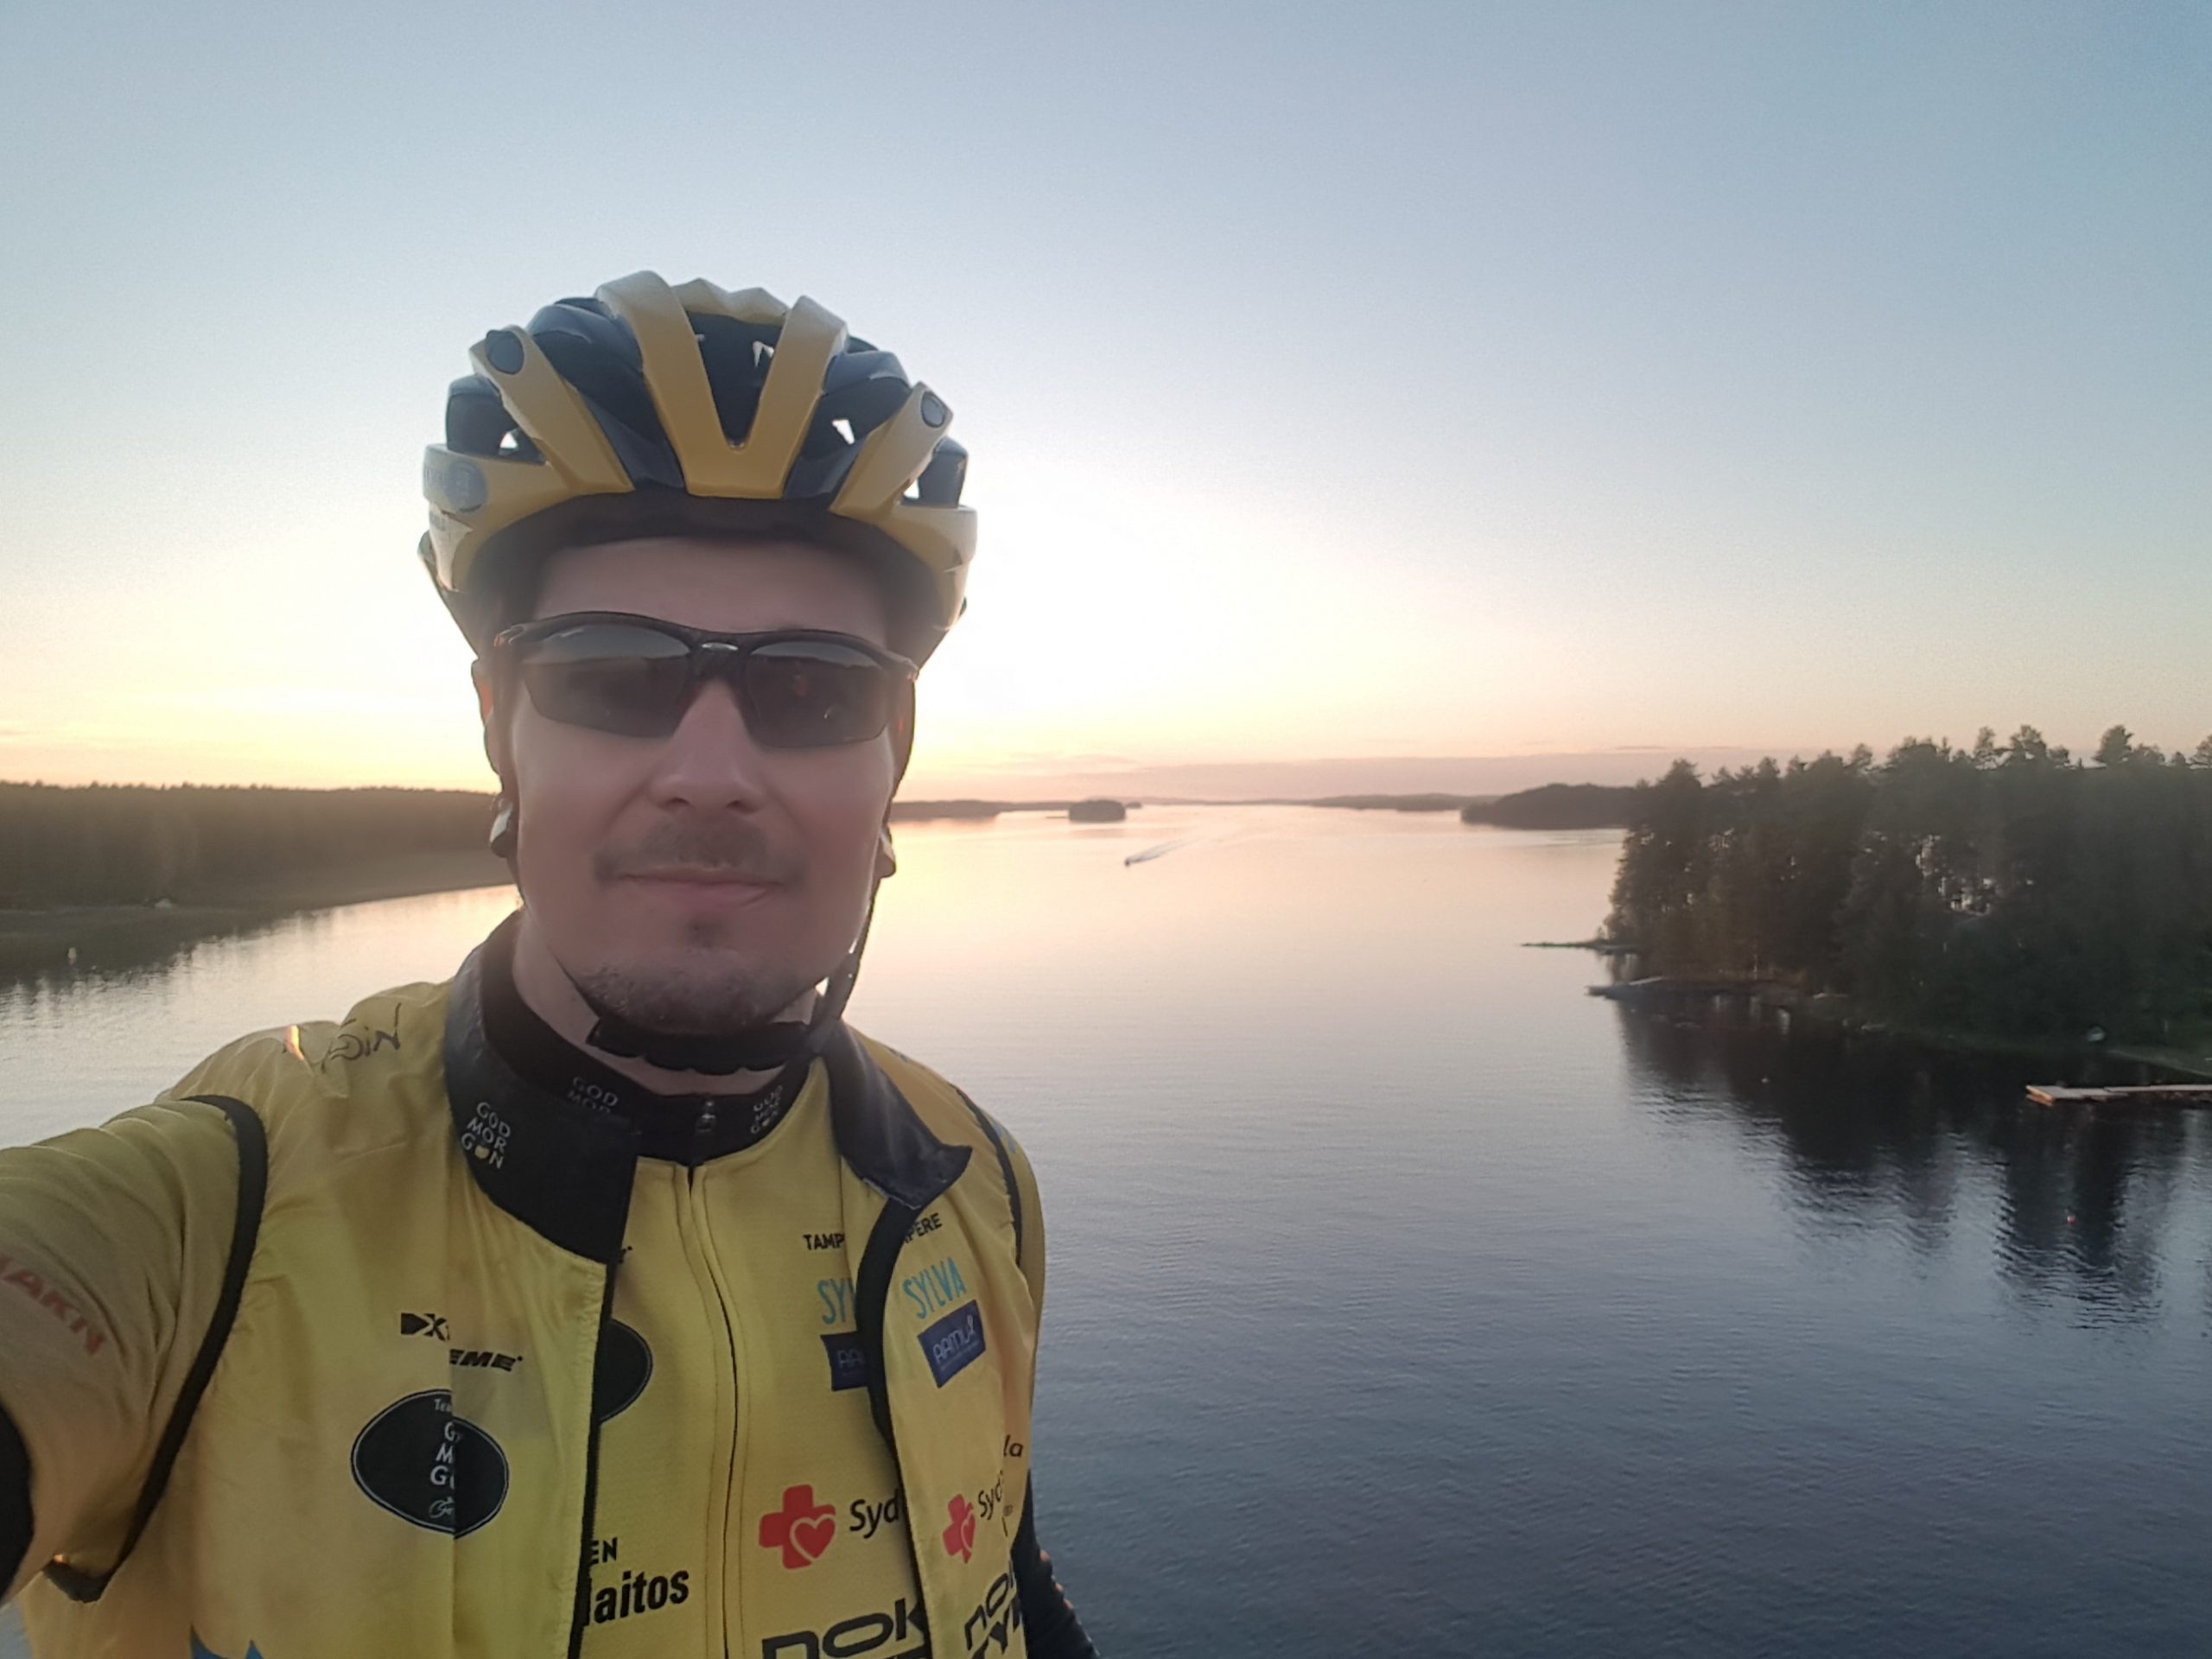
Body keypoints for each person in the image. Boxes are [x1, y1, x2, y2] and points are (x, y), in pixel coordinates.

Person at [0, 273, 1096, 1657]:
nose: (710, 771)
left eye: (812, 688)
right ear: (499, 731)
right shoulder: (216, 1217)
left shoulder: (971, 1178)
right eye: (612, 673)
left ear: (896, 758)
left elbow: (1013, 1579)